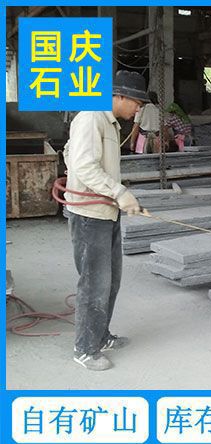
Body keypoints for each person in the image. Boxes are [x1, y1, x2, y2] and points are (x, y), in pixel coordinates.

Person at [63, 70, 149, 371]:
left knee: (110, 282)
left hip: (105, 212)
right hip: (89, 216)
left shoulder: (109, 122)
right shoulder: (90, 117)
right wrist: (118, 191)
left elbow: (70, 152)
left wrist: (114, 195)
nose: (137, 110)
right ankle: (85, 349)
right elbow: (84, 165)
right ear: (120, 96)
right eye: (136, 103)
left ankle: (100, 336)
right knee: (94, 284)